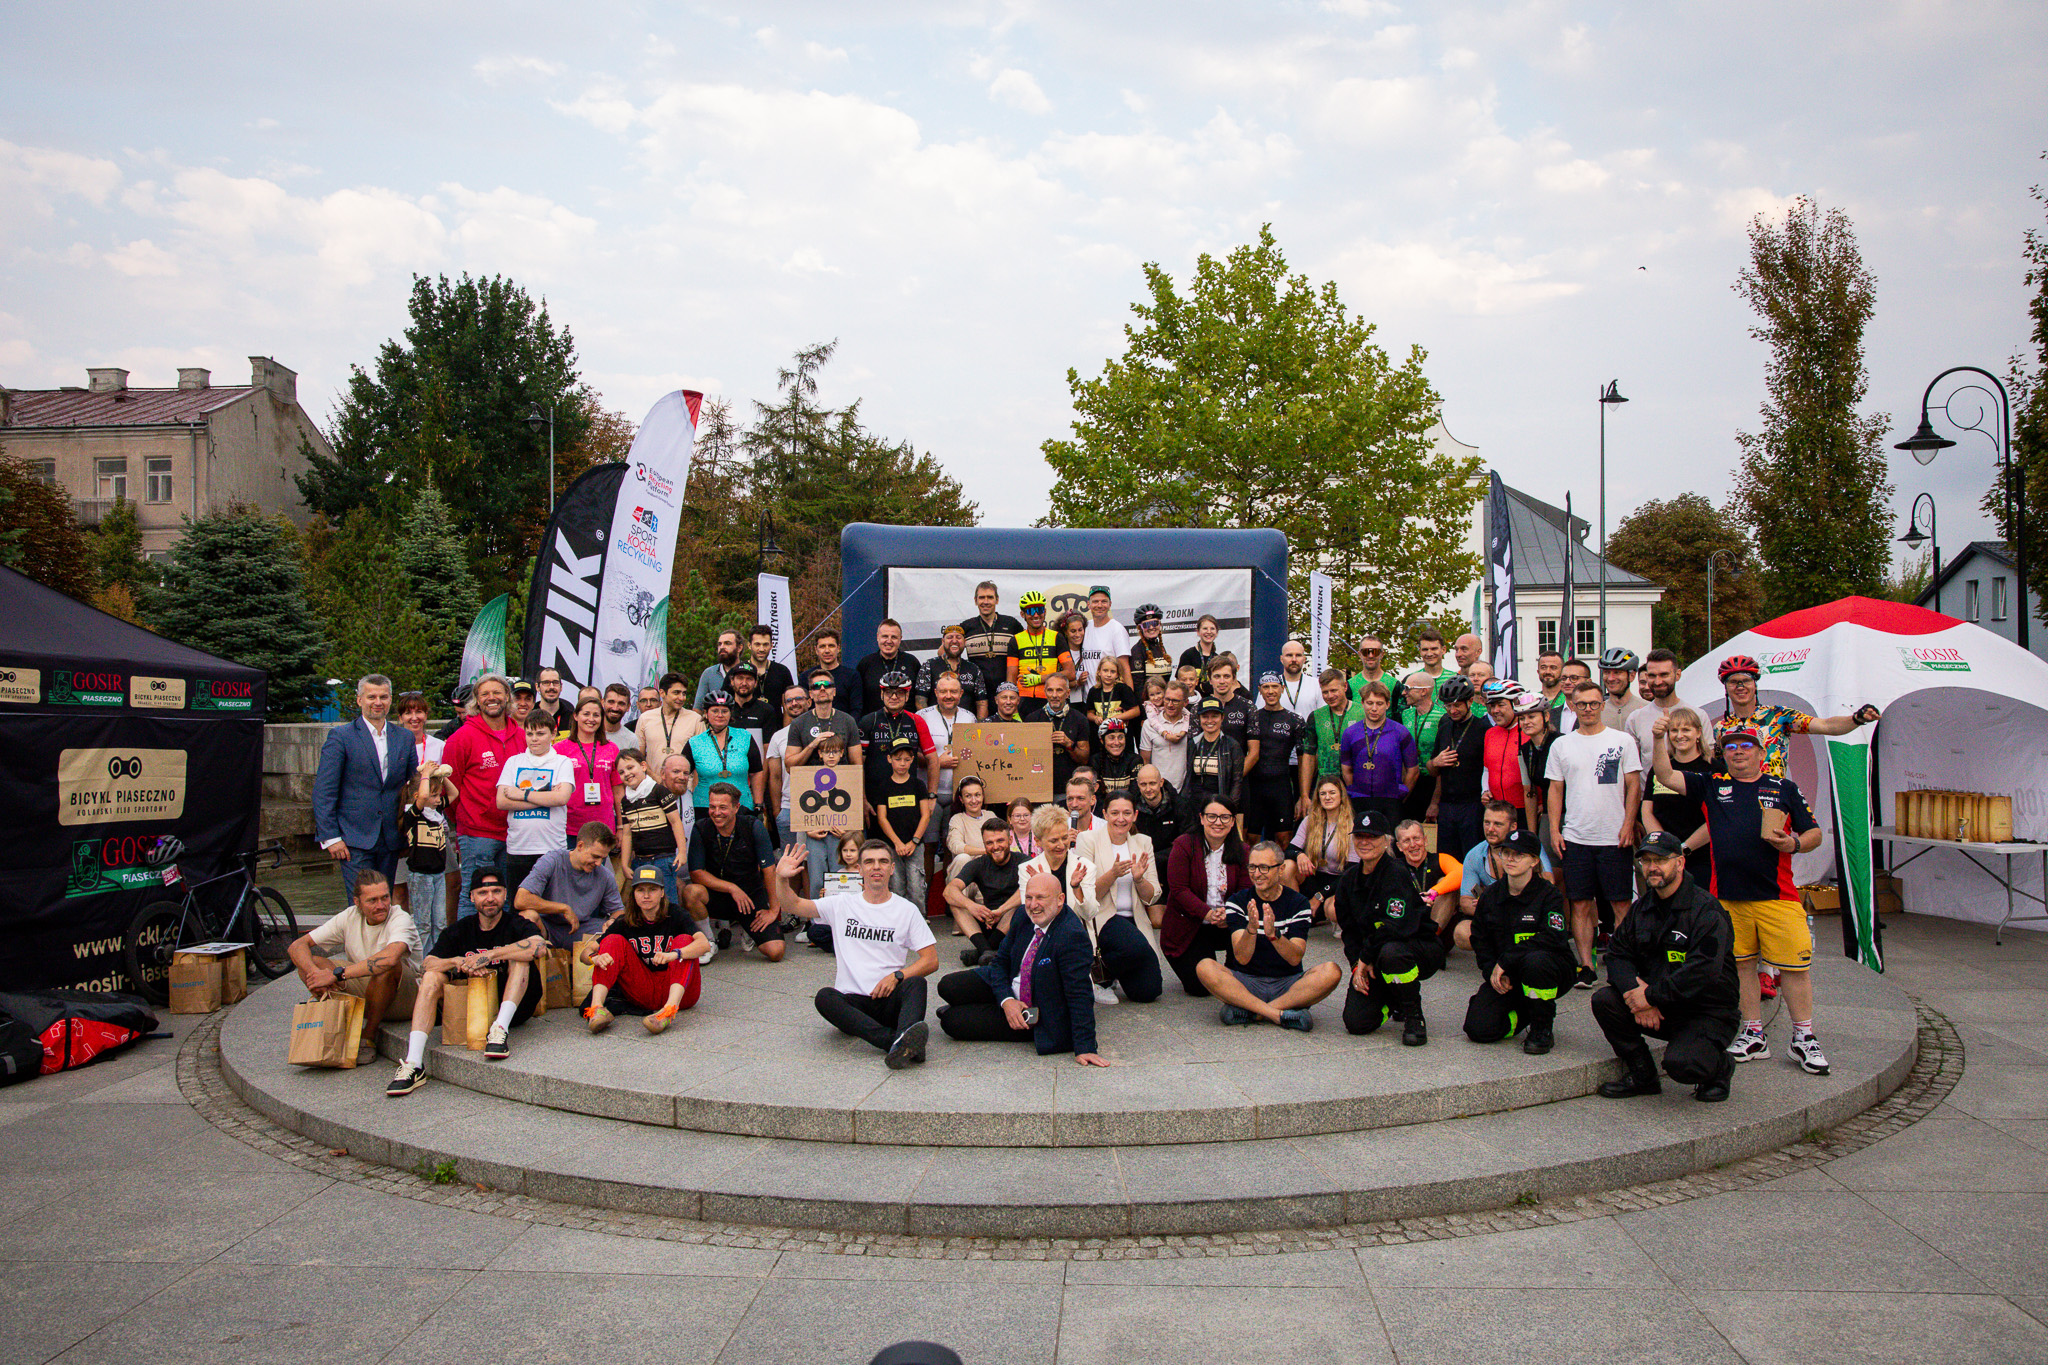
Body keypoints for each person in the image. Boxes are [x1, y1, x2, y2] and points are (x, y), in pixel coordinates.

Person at [1650, 718, 1831, 1075]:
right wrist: (1658, 739)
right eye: (1730, 747)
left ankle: (1804, 1037)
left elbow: (1814, 833)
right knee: (1742, 966)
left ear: (1762, 753)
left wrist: (1793, 844)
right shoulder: (1713, 784)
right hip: (1728, 897)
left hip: (1778, 896)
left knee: (1794, 969)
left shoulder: (1783, 787)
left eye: (1746, 745)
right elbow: (1666, 775)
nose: (1738, 752)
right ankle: (1753, 1032)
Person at [1591, 832, 1740, 1103]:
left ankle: (1719, 1067)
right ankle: (1643, 1075)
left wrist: (1649, 996)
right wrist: (1638, 995)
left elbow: (1703, 971)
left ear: (1680, 863)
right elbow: (1616, 955)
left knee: (1682, 1065)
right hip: (1661, 1004)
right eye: (1646, 861)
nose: (1652, 867)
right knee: (1605, 1001)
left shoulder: (1706, 910)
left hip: (1706, 1011)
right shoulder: (1642, 908)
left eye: (1660, 860)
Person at [772, 839, 936, 1068]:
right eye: (869, 862)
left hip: (889, 998)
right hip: (853, 1005)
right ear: (859, 869)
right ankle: (896, 1041)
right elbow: (793, 905)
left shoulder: (907, 910)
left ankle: (902, 1039)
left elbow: (931, 960)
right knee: (825, 997)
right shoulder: (841, 904)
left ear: (892, 868)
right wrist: (781, 878)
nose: (876, 867)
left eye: (883, 861)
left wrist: (897, 976)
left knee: (916, 983)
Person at [386, 870, 545, 1092]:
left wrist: (489, 956)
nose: (490, 898)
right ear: (472, 897)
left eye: (496, 891)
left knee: (519, 959)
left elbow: (539, 947)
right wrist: (457, 961)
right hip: (472, 1012)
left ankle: (499, 1030)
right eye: (483, 893)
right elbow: (426, 965)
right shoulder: (459, 929)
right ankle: (414, 1063)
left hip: (517, 1009)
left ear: (505, 894)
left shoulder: (517, 924)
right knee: (432, 976)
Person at [936, 871, 1110, 1063]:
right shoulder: (1022, 915)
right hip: (1011, 984)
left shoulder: (1071, 935)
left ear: (1060, 899)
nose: (1033, 905)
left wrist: (1085, 1047)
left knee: (951, 1022)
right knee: (947, 985)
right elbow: (1000, 962)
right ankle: (990, 1004)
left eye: (1040, 898)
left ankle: (971, 1010)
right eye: (1029, 897)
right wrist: (1006, 1000)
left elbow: (1080, 994)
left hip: (1035, 1011)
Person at [1545, 681, 1643, 988]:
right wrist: (1555, 829)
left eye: (1594, 703)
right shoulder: (1562, 745)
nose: (1588, 709)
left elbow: (1634, 786)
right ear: (1573, 706)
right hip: (1576, 837)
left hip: (1614, 837)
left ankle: (1623, 964)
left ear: (1602, 704)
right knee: (1580, 904)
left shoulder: (1622, 741)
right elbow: (1555, 789)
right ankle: (1586, 965)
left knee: (1621, 904)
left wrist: (1628, 823)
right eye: (1582, 704)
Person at [1196, 841, 1341, 1029]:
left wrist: (1274, 936)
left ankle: (1253, 1011)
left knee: (1332, 971)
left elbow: (1295, 958)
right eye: (1252, 867)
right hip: (1247, 982)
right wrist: (1251, 929)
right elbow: (1242, 957)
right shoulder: (1237, 902)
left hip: (1287, 983)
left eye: (1264, 868)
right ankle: (1280, 1014)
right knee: (1204, 967)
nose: (1257, 874)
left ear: (1281, 870)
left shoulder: (1299, 903)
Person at [1462, 829, 1575, 1054]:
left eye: (1519, 854)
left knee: (1536, 961)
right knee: (1478, 1029)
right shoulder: (1490, 896)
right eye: (1506, 853)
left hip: (1549, 970)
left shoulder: (1549, 895)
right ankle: (1527, 1013)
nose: (1510, 859)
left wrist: (1506, 960)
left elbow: (1553, 937)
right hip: (1508, 975)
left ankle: (1542, 1027)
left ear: (1534, 860)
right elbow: (1480, 940)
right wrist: (1492, 972)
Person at [1335, 809, 1443, 1044]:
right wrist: (1356, 966)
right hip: (1374, 953)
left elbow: (1393, 926)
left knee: (1391, 953)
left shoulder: (1396, 873)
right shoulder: (1348, 881)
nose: (1365, 842)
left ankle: (1413, 1014)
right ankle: (1395, 998)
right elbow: (1349, 932)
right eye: (1359, 836)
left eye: (1372, 836)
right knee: (1356, 1022)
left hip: (1414, 947)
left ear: (1386, 842)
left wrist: (1366, 957)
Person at [313, 674, 421, 899]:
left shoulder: (404, 737)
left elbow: (412, 786)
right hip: (353, 838)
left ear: (390, 699)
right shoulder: (341, 737)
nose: (378, 702)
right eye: (371, 697)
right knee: (362, 904)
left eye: (383, 697)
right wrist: (331, 837)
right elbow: (324, 791)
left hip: (391, 837)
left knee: (384, 902)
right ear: (359, 700)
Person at [288, 870, 420, 1048]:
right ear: (357, 902)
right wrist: (316, 975)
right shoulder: (349, 915)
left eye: (385, 898)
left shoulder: (400, 918)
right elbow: (297, 946)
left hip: (406, 998)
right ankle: (343, 1025)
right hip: (369, 988)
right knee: (312, 964)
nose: (381, 905)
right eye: (372, 900)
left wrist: (336, 975)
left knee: (388, 966)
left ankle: (369, 1035)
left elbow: (390, 958)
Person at [581, 866, 708, 1034]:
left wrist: (674, 954)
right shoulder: (625, 921)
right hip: (644, 990)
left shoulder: (676, 914)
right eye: (640, 890)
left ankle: (668, 1011)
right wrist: (595, 958)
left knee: (684, 940)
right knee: (612, 941)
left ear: (662, 892)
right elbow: (585, 952)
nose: (646, 895)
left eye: (652, 890)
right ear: (633, 894)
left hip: (681, 992)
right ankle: (597, 1009)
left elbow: (704, 944)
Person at [1712, 654, 1880, 778]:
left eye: (1746, 681)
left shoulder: (1778, 715)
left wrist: (1857, 719)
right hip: (1737, 802)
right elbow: (1714, 767)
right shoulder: (1720, 728)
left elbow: (1826, 726)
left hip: (1775, 798)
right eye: (1733, 682)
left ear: (1755, 685)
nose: (1740, 687)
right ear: (1726, 688)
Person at [1078, 791, 1165, 1002]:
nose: (1121, 819)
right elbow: (1086, 896)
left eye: (1127, 813)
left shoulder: (1143, 842)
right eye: (1115, 813)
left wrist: (1139, 879)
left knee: (1148, 992)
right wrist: (1113, 874)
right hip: (1103, 918)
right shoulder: (1088, 839)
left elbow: (1152, 897)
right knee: (1133, 946)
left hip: (1135, 921)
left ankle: (1111, 971)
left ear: (1135, 815)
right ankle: (1100, 978)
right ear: (1105, 814)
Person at [441, 675, 521, 898]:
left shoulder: (521, 736)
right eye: (485, 694)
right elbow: (449, 789)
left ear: (507, 696)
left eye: (497, 692)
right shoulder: (461, 738)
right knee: (473, 896)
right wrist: (466, 818)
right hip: (477, 834)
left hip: (515, 832)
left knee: (507, 898)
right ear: (476, 700)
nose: (491, 698)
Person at [686, 783, 784, 960]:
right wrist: (732, 888)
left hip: (750, 897)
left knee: (775, 951)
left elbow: (769, 869)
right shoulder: (701, 827)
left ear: (736, 807)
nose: (716, 812)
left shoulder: (753, 826)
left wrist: (773, 909)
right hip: (719, 895)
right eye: (712, 807)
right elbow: (696, 873)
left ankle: (748, 930)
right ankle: (708, 942)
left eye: (723, 807)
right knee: (691, 892)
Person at [1163, 796, 1250, 995]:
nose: (1218, 822)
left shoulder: (1243, 850)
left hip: (1229, 922)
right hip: (1191, 924)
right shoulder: (1184, 845)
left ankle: (1233, 969)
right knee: (1201, 987)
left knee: (1241, 976)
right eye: (1212, 816)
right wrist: (1208, 914)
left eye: (1225, 817)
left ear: (1233, 821)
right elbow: (1179, 890)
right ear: (1201, 818)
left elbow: (1245, 891)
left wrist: (1229, 913)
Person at [1455, 801, 1555, 950]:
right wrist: (1495, 910)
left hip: (1527, 918)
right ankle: (1500, 955)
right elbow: (1466, 901)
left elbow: (1549, 882)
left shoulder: (1530, 846)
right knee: (1462, 932)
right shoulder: (1474, 855)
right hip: (1495, 920)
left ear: (1513, 827)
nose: (1490, 829)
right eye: (1487, 822)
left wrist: (1494, 905)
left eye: (1498, 824)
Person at [514, 821, 624, 951]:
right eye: (595, 856)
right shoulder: (552, 861)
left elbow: (618, 910)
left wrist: (612, 921)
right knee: (527, 917)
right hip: (547, 927)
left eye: (603, 858)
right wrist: (563, 908)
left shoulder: (605, 876)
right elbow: (521, 900)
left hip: (583, 928)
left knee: (619, 930)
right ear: (580, 846)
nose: (599, 863)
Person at [499, 712, 576, 889]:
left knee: (552, 902)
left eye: (540, 734)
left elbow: (561, 798)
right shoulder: (513, 762)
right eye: (529, 733)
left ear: (553, 733)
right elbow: (502, 802)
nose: (534, 739)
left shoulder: (562, 762)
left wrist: (522, 794)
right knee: (519, 902)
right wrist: (546, 796)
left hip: (552, 848)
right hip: (518, 848)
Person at [1640, 705, 1716, 886]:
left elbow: (1717, 816)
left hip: (1701, 857)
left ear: (1698, 733)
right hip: (1663, 857)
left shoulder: (1714, 769)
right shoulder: (1659, 769)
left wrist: (1683, 849)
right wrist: (1664, 845)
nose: (1679, 735)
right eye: (1674, 730)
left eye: (1686, 729)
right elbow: (1647, 810)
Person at [1425, 674, 1489, 865]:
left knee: (1473, 859)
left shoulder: (1483, 728)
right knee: (1446, 860)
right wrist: (1435, 762)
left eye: (1457, 705)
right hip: (1447, 806)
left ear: (1470, 701)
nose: (1452, 710)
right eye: (1448, 706)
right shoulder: (1444, 726)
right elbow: (1433, 770)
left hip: (1473, 805)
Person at [1339, 680, 1419, 831]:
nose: (1374, 708)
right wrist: (1355, 791)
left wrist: (1400, 795)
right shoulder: (1350, 733)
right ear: (1362, 703)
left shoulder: (1400, 732)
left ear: (1387, 704)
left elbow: (1413, 770)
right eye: (1370, 703)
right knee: (1362, 840)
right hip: (1359, 800)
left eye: (1379, 703)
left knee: (1390, 841)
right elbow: (1346, 769)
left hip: (1391, 800)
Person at [916, 672, 970, 894]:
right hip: (931, 793)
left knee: (953, 849)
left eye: (954, 691)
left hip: (958, 795)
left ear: (961, 693)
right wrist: (937, 762)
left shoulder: (969, 717)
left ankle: (950, 900)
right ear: (935, 693)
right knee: (927, 847)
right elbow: (911, 754)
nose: (949, 695)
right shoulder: (921, 717)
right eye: (944, 691)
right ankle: (925, 899)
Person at [946, 814, 1024, 963]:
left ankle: (983, 951)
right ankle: (987, 950)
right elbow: (949, 891)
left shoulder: (1023, 861)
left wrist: (1001, 910)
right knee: (956, 903)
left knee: (1021, 903)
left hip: (1015, 924)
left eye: (1000, 840)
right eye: (989, 843)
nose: (995, 847)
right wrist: (972, 906)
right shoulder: (979, 864)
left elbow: (1030, 889)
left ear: (1010, 840)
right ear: (984, 844)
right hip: (988, 921)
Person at [869, 735, 934, 907]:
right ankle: (898, 918)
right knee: (896, 885)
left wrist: (914, 841)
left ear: (912, 760)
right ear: (889, 759)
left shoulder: (918, 785)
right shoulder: (884, 786)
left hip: (915, 845)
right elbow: (881, 817)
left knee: (916, 886)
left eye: (906, 759)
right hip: (892, 846)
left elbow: (925, 815)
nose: (902, 763)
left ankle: (919, 918)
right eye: (898, 759)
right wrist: (897, 843)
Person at [1245, 671, 1308, 842]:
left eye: (1274, 686)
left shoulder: (1295, 720)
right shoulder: (1252, 717)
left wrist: (1303, 796)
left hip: (1281, 787)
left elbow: (1303, 760)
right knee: (1250, 839)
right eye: (1266, 687)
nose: (1270, 691)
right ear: (1260, 690)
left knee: (1283, 839)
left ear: (1282, 689)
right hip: (1255, 788)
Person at [617, 748, 686, 905]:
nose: (627, 773)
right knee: (644, 903)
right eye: (621, 772)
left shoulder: (659, 791)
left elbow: (676, 822)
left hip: (663, 858)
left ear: (643, 766)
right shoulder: (625, 801)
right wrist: (624, 863)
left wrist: (682, 852)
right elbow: (627, 834)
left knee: (667, 903)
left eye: (630, 767)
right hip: (640, 861)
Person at [1285, 775, 1356, 922]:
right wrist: (1299, 855)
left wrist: (1319, 896)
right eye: (1323, 793)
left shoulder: (1352, 826)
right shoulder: (1309, 820)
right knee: (1287, 866)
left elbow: (1351, 872)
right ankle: (1297, 915)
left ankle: (1335, 920)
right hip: (1314, 876)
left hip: (1337, 883)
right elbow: (1289, 851)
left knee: (1333, 909)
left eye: (1332, 792)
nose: (1327, 797)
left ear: (1341, 796)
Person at [860, 671, 936, 801]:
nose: (894, 697)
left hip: (908, 796)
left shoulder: (917, 721)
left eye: (900, 692)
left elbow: (933, 760)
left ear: (907, 695)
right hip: (875, 796)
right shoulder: (868, 721)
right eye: (889, 692)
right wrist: (863, 799)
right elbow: (858, 764)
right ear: (882, 694)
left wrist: (932, 795)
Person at [557, 697, 620, 852]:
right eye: (586, 714)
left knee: (596, 865)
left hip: (603, 825)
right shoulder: (560, 749)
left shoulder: (611, 748)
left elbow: (618, 791)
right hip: (569, 826)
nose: (591, 719)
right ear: (575, 716)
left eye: (596, 715)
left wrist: (620, 826)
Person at [686, 692, 765, 813]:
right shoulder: (695, 742)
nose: (720, 715)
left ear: (730, 713)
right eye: (715, 711)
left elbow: (756, 772)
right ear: (706, 713)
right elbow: (681, 773)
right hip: (705, 807)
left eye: (724, 711)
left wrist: (758, 804)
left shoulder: (745, 737)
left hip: (740, 806)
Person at [1181, 696, 1246, 825]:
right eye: (1205, 717)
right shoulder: (1193, 744)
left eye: (1214, 716)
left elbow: (1237, 782)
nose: (1209, 721)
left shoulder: (1232, 745)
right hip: (1195, 806)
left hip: (1220, 805)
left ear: (1222, 718)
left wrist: (1228, 809)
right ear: (1199, 719)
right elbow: (1188, 777)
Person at [1304, 669, 1362, 807]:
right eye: (1325, 692)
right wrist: (1305, 795)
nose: (1330, 696)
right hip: (1325, 785)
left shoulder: (1362, 712)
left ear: (1345, 687)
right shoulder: (1316, 716)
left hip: (1356, 784)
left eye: (1334, 690)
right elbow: (1308, 756)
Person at [788, 667, 864, 769]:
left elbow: (857, 765)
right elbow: (789, 767)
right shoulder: (798, 723)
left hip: (841, 778)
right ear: (810, 694)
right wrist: (812, 745)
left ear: (834, 691)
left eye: (827, 685)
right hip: (809, 778)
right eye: (816, 686)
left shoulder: (848, 721)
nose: (822, 688)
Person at [1397, 670, 1446, 825]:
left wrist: (1435, 802)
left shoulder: (1442, 716)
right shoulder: (1406, 715)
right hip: (1409, 779)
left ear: (1423, 691)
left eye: (1408, 688)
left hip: (1432, 781)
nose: (1404, 693)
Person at [959, 581, 1024, 699]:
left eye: (990, 597)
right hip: (978, 695)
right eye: (981, 597)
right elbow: (944, 652)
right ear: (975, 601)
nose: (986, 602)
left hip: (1007, 693)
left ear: (997, 600)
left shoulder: (1011, 624)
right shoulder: (967, 626)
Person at [1513, 692, 1559, 856]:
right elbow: (1529, 792)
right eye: (1522, 718)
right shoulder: (1525, 750)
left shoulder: (1560, 742)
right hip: (1548, 813)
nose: (1526, 722)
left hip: (1571, 814)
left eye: (1531, 716)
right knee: (1547, 862)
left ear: (1546, 716)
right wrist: (1532, 834)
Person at [1623, 648, 1683, 768]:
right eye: (1652, 676)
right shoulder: (1635, 718)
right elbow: (1630, 767)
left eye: (1664, 675)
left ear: (1677, 675)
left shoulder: (1697, 715)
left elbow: (1707, 763)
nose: (1658, 681)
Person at [636, 671, 707, 772]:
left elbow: (701, 759)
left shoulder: (696, 719)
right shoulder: (645, 718)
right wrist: (654, 778)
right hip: (654, 780)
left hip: (684, 780)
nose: (681, 698)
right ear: (662, 693)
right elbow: (639, 757)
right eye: (676, 693)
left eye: (684, 693)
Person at [1478, 682, 1528, 824]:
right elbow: (1487, 768)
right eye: (1492, 706)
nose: (1495, 710)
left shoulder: (1528, 732)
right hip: (1497, 808)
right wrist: (1485, 790)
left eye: (1501, 705)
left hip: (1524, 808)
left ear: (1515, 704)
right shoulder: (1490, 733)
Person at [916, 624, 989, 719]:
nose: (954, 641)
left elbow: (982, 703)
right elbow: (920, 700)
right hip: (936, 724)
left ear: (964, 642)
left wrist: (979, 725)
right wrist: (928, 722)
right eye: (950, 637)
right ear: (943, 641)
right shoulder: (929, 665)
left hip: (966, 725)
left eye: (958, 637)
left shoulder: (973, 668)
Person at [1008, 590, 1061, 718]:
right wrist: (1013, 710)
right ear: (1023, 614)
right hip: (1024, 701)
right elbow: (1011, 679)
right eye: (1031, 611)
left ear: (1045, 612)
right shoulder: (1016, 640)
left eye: (1039, 610)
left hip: (1051, 699)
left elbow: (1070, 673)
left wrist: (1040, 679)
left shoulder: (1056, 637)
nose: (1036, 615)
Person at [1039, 672, 1094, 793]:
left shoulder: (1080, 719)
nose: (1054, 695)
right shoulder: (1033, 718)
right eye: (1050, 690)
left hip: (1069, 789)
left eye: (1059, 690)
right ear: (1045, 692)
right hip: (1040, 787)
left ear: (1068, 693)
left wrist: (1069, 744)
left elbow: (1084, 759)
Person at [856, 619, 922, 714]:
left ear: (900, 639)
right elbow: (858, 700)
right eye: (885, 636)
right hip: (874, 721)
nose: (889, 641)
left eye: (894, 637)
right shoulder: (866, 664)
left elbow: (919, 696)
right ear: (878, 637)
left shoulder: (912, 662)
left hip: (906, 720)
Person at [1138, 682, 1193, 790]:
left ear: (1185, 702)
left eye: (1175, 701)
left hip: (1186, 788)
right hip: (1159, 789)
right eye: (1167, 699)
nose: (1170, 704)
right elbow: (1145, 761)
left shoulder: (1191, 724)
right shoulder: (1149, 725)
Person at [723, 660, 779, 754]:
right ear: (732, 681)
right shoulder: (724, 709)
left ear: (756, 683)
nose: (744, 683)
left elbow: (768, 748)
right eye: (740, 678)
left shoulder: (766, 710)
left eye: (749, 679)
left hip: (757, 762)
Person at [942, 776, 991, 881]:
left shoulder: (990, 816)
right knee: (962, 858)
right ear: (961, 799)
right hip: (965, 875)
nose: (974, 800)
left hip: (987, 872)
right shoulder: (957, 819)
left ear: (982, 796)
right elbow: (956, 846)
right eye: (968, 796)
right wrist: (985, 851)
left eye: (977, 795)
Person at [1130, 764, 1185, 854]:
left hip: (1171, 858)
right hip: (1142, 859)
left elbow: (1186, 841)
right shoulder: (1131, 807)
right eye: (1143, 784)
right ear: (1138, 784)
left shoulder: (1179, 805)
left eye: (1152, 783)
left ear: (1161, 782)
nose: (1148, 789)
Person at [743, 622, 797, 711]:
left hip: (775, 720)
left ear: (771, 645)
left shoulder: (782, 671)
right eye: (757, 644)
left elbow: (789, 706)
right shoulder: (739, 671)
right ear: (749, 645)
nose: (761, 649)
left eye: (765, 644)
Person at [1206, 656, 1255, 755]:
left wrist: (1239, 766)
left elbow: (1253, 753)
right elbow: (1192, 749)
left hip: (1240, 764)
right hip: (1206, 764)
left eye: (1226, 676)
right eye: (1217, 676)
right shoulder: (1199, 708)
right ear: (1210, 680)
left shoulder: (1248, 707)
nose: (1222, 681)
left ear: (1234, 678)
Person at [811, 627, 864, 718]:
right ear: (816, 650)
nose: (827, 651)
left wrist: (847, 725)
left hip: (845, 725)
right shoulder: (807, 677)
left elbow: (857, 709)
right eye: (822, 646)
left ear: (838, 648)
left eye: (831, 646)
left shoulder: (852, 676)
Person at [1127, 603, 1175, 694]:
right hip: (1148, 702)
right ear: (1140, 628)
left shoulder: (1160, 647)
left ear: (1159, 624)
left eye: (1154, 623)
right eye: (1146, 625)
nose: (1151, 627)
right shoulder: (1137, 651)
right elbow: (1138, 687)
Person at [1091, 717, 1142, 800]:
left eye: (1120, 737)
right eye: (1111, 738)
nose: (1117, 742)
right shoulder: (1095, 761)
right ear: (1102, 740)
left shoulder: (1135, 760)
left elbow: (1135, 794)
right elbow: (1097, 796)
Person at [1598, 647, 1646, 731]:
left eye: (1617, 672)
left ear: (1632, 676)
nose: (1610, 678)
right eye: (1606, 672)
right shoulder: (1596, 712)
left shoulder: (1646, 709)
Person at [693, 629, 743, 708]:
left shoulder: (748, 673)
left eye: (727, 643)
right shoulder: (709, 673)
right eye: (720, 644)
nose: (722, 647)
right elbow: (698, 709)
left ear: (739, 648)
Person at [1348, 634, 1403, 705]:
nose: (1370, 655)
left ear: (1382, 654)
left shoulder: (1395, 685)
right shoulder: (1350, 685)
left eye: (1375, 652)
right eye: (1366, 652)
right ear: (1360, 654)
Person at [1083, 659, 1139, 728]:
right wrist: (1095, 718)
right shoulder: (1093, 691)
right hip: (1099, 730)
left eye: (1113, 672)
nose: (1109, 675)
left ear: (1117, 674)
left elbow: (1136, 711)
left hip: (1119, 730)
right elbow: (1089, 713)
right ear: (1099, 672)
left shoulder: (1123, 688)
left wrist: (1114, 718)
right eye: (1105, 671)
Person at [1177, 613, 1223, 685]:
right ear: (1198, 632)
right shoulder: (1188, 655)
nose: (1209, 632)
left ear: (1217, 633)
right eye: (1205, 628)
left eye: (1212, 629)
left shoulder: (1218, 659)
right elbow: (1179, 683)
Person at [1054, 610, 1092, 692]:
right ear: (1065, 632)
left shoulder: (1089, 650)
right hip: (1064, 697)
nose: (1077, 635)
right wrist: (1077, 682)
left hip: (1087, 697)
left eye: (1080, 630)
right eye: (1073, 631)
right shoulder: (1059, 653)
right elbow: (1055, 681)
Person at [532, 667, 567, 736]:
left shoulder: (572, 718)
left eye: (555, 682)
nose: (551, 687)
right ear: (537, 687)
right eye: (546, 683)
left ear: (561, 687)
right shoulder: (529, 717)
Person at [601, 683, 636, 749]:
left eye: (621, 704)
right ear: (603, 703)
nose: (615, 708)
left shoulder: (631, 740)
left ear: (628, 707)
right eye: (611, 702)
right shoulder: (590, 733)